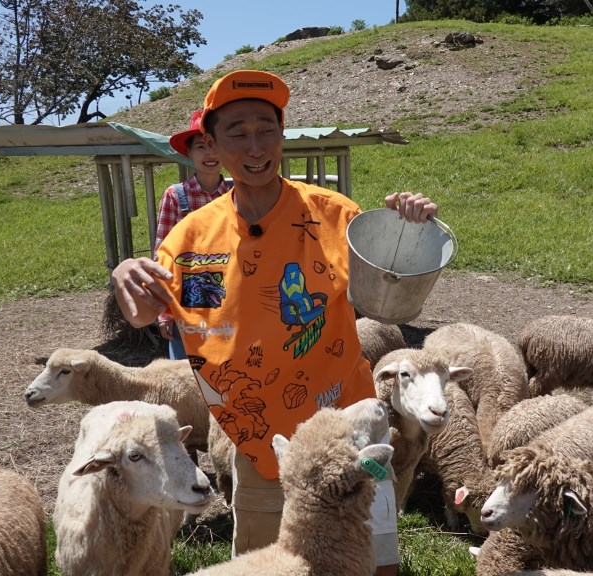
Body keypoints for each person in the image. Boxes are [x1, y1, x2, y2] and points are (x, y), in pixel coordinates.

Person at [110, 69, 437, 576]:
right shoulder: (192, 235)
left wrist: (406, 233)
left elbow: (393, 300)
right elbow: (142, 313)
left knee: (372, 563)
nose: (255, 144)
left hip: (344, 436)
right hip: (258, 442)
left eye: (267, 129)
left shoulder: (333, 215)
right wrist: (124, 273)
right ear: (212, 146)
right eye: (237, 132)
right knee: (266, 567)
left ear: (281, 135)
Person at [154, 109, 232, 359]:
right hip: (188, 293)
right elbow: (162, 257)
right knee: (186, 368)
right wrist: (164, 312)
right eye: (201, 147)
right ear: (189, 152)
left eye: (214, 146)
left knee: (228, 362)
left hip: (234, 289)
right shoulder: (176, 196)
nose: (210, 154)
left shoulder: (238, 193)